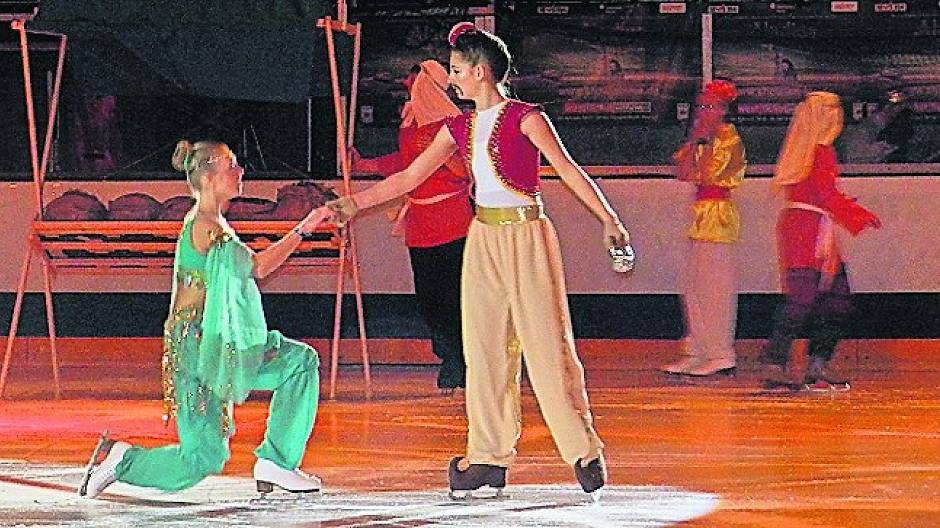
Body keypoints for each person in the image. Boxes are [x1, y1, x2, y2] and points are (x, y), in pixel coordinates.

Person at [327, 21, 631, 497]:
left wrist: (609, 218)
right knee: (484, 350)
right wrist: (355, 204)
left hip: (527, 235)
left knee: (547, 344)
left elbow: (568, 171)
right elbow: (409, 179)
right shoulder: (458, 128)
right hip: (482, 239)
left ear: (482, 72)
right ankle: (488, 457)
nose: (452, 80)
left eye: (457, 71)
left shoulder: (525, 117)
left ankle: (583, 449)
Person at [79, 140, 331, 498]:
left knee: (299, 362)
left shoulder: (215, 223)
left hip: (222, 342)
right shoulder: (206, 226)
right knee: (203, 458)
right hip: (196, 351)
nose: (240, 171)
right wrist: (307, 226)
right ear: (211, 177)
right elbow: (257, 267)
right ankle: (124, 460)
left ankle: (277, 463)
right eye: (232, 165)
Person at [350, 59, 470, 391]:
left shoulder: (451, 125)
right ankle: (450, 353)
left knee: (455, 297)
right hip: (421, 226)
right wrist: (367, 165)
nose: (406, 83)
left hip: (453, 224)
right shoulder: (410, 123)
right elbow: (406, 165)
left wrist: (454, 162)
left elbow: (466, 172)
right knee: (429, 298)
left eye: (413, 79)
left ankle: (460, 360)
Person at [761, 92, 881, 390]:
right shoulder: (820, 152)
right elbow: (826, 195)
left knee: (830, 298)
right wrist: (858, 215)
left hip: (806, 227)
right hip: (808, 230)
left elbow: (823, 195)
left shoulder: (804, 150)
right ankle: (782, 362)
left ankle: (808, 362)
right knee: (815, 299)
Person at [662, 80, 746, 377]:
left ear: (724, 110)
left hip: (719, 217)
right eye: (700, 106)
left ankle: (720, 352)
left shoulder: (729, 139)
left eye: (708, 106)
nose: (702, 111)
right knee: (694, 286)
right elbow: (684, 173)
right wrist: (694, 142)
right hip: (700, 217)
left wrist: (706, 143)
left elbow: (711, 175)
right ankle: (698, 348)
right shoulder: (703, 138)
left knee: (715, 287)